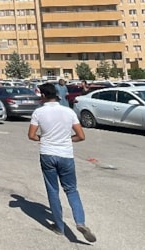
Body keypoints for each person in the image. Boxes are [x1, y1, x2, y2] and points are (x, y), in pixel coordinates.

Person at [27, 83, 96, 243]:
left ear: (43, 96)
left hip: (47, 154)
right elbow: (81, 136)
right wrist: (66, 140)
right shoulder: (68, 111)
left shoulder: (38, 112)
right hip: (66, 154)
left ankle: (59, 227)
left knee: (53, 190)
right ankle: (80, 222)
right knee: (71, 190)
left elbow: (31, 135)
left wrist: (43, 138)